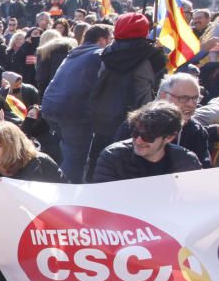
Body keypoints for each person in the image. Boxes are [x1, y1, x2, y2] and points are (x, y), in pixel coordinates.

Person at [0, 122, 64, 281]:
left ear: (12, 147)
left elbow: (63, 199)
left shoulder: (40, 164)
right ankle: (3, 268)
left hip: (40, 226)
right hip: (3, 229)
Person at [87, 13, 166, 181]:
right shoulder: (152, 56)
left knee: (100, 161)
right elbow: (145, 92)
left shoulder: (107, 53)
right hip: (132, 117)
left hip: (102, 113)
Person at [41, 24, 112, 182]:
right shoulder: (99, 54)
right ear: (102, 40)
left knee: (69, 153)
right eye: (110, 39)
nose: (111, 43)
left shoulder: (74, 54)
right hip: (73, 112)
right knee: (75, 158)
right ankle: (67, 194)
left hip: (52, 106)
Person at [92, 101, 202, 182]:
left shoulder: (186, 162)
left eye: (148, 136)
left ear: (169, 137)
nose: (139, 141)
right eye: (135, 133)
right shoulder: (113, 157)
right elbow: (103, 198)